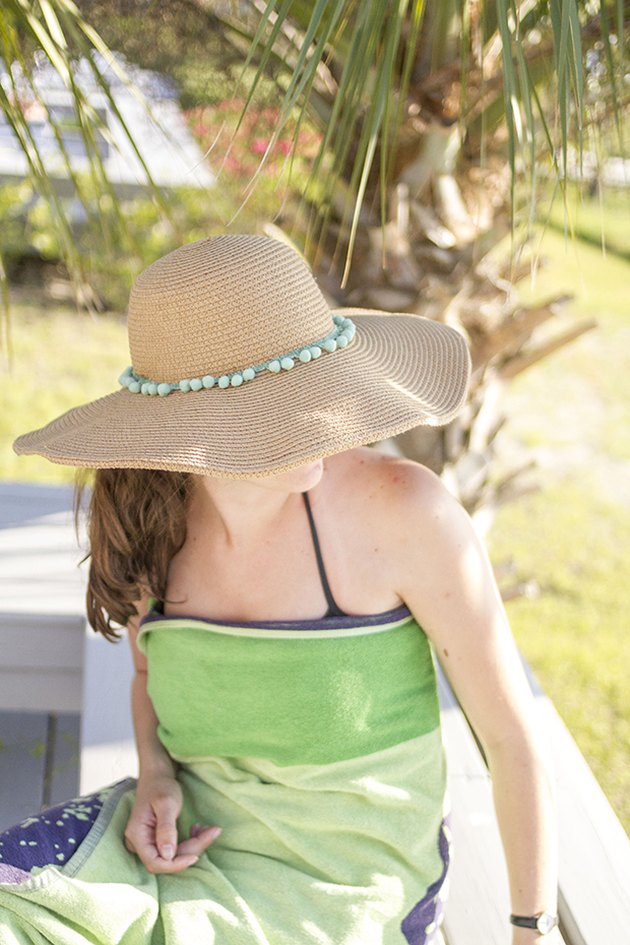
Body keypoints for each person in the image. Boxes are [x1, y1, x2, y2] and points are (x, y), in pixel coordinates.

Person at [1, 235, 559, 945]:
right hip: (178, 852)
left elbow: (511, 738)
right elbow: (149, 672)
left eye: (317, 389)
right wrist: (154, 775)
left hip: (347, 883)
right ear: (194, 433)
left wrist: (530, 929)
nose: (322, 422)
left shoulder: (404, 514)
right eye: (281, 409)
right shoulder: (153, 519)